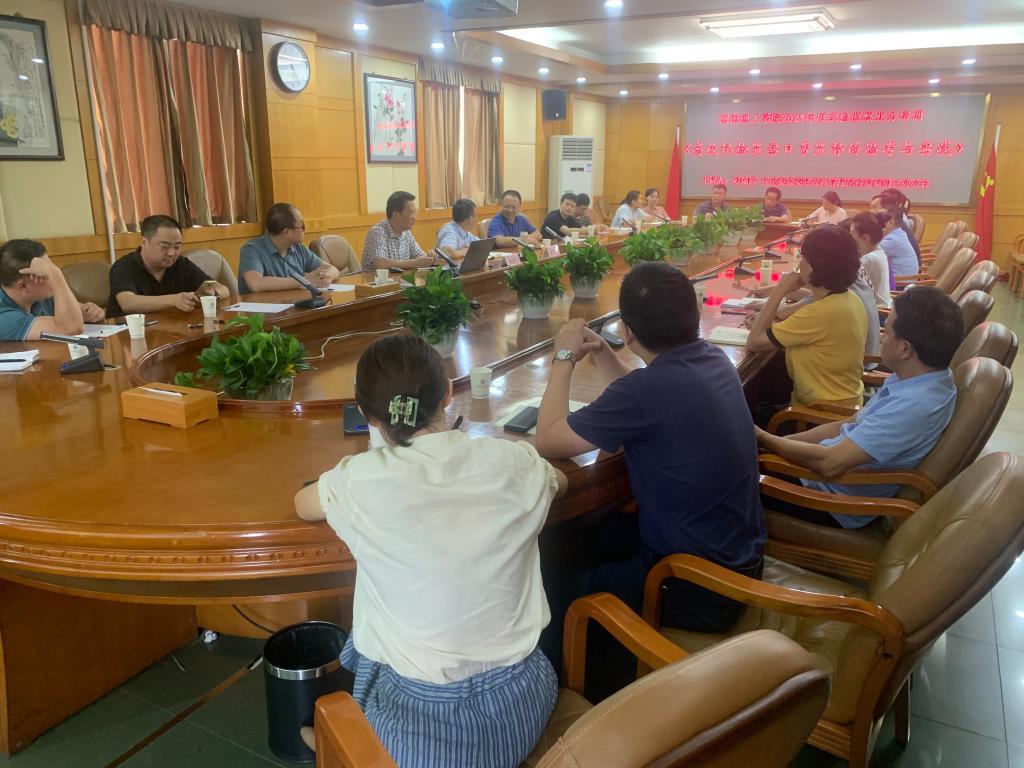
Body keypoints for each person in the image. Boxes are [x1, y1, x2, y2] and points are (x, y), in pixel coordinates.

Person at [294, 335, 566, 767]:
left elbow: (302, 505)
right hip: (523, 703)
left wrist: (369, 461)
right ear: (448, 392)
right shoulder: (513, 461)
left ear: (366, 415)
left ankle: (338, 738)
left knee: (378, 639)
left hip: (420, 734)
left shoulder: (358, 479)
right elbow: (559, 482)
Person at [534, 262, 765, 669]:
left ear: (627, 330)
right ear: (694, 313)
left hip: (694, 587)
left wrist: (564, 357)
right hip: (737, 561)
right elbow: (643, 392)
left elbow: (549, 438)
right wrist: (604, 354)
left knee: (549, 580)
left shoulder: (645, 392)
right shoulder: (713, 359)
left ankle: (571, 684)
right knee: (583, 536)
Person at [756, 286, 961, 528]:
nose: (882, 338)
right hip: (824, 472)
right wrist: (778, 443)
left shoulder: (914, 405)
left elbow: (830, 463)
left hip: (829, 500)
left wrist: (765, 439)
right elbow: (849, 423)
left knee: (725, 467)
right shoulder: (922, 377)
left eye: (888, 332)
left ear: (905, 348)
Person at [746, 225, 867, 407]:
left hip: (820, 412)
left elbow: (754, 343)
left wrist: (779, 291)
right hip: (845, 401)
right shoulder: (848, 298)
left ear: (815, 267)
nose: (799, 264)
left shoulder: (820, 312)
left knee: (753, 397)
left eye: (803, 258)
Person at [107, 215, 230, 316]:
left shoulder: (180, 264)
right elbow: (128, 303)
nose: (171, 253)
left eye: (177, 247)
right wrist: (174, 300)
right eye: (164, 247)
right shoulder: (123, 266)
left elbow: (223, 289)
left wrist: (213, 294)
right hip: (128, 333)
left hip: (170, 329)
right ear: (144, 243)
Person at [0, 239, 103, 341]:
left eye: (51, 266)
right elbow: (71, 329)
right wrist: (55, 273)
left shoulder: (39, 297)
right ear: (23, 286)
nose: (53, 272)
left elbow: (81, 312)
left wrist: (91, 311)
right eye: (45, 273)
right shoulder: (4, 319)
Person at [239, 204, 338, 294]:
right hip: (263, 307)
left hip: (294, 305)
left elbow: (332, 269)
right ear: (286, 232)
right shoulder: (252, 249)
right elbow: (255, 284)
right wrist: (304, 281)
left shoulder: (298, 248)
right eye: (301, 226)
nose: (304, 229)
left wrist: (325, 278)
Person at [361, 192, 436, 274]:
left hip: (397, 280)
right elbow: (380, 263)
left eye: (415, 213)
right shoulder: (378, 231)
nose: (414, 217)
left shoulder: (407, 234)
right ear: (396, 215)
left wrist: (429, 257)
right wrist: (415, 262)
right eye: (411, 213)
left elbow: (420, 257)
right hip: (374, 281)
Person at [849, 211, 892, 310]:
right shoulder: (878, 250)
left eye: (852, 233)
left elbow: (848, 286)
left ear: (865, 238)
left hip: (878, 311)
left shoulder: (869, 259)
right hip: (883, 306)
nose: (849, 237)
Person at [871, 191, 922, 265]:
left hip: (903, 272)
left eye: (874, 207)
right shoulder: (897, 227)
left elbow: (867, 254)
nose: (870, 211)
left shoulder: (892, 237)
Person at [877, 199, 919, 281]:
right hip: (901, 281)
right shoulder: (899, 233)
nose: (876, 221)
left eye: (879, 219)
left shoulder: (892, 241)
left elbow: (864, 254)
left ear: (890, 223)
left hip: (899, 285)